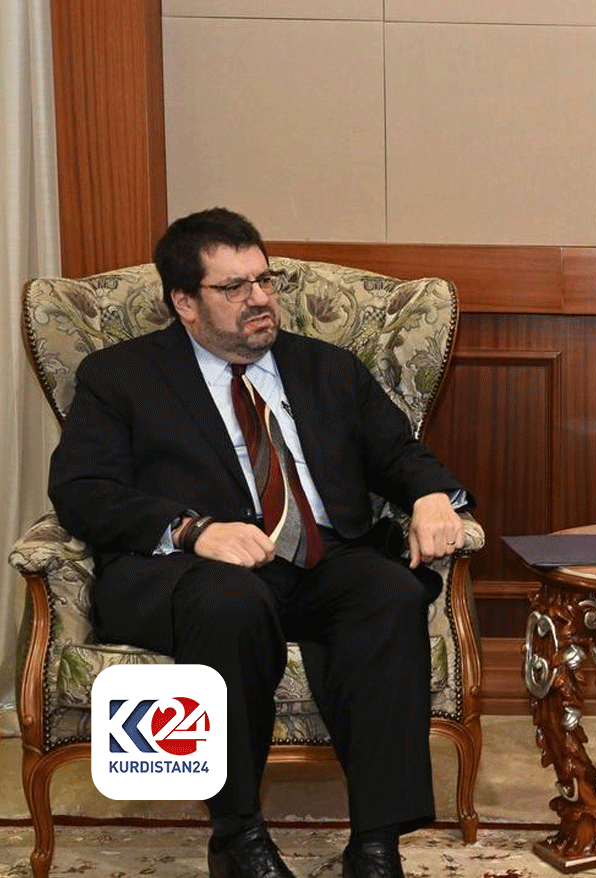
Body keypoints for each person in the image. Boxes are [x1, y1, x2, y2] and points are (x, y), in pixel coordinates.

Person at [48, 208, 473, 878]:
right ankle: (238, 834)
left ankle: (376, 842)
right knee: (231, 603)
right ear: (185, 303)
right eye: (234, 288)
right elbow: (81, 489)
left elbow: (400, 452)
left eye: (264, 281)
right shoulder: (121, 376)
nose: (259, 300)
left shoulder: (328, 368)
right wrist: (193, 529)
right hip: (189, 572)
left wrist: (429, 495)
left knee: (387, 590)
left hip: (317, 562)